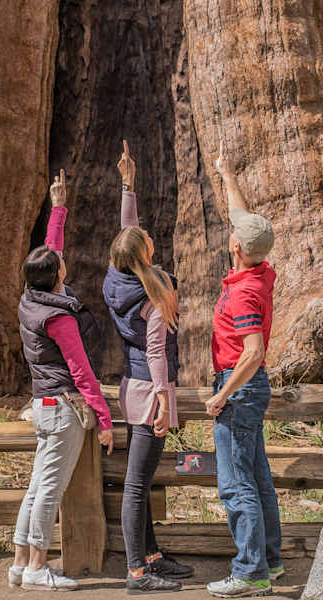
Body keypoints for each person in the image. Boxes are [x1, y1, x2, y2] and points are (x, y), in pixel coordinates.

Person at [11, 169, 115, 592]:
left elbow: (49, 253)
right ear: (56, 276)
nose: (63, 263)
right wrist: (104, 420)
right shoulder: (59, 317)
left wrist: (59, 207)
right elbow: (82, 372)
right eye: (60, 266)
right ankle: (38, 565)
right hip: (63, 409)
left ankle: (20, 563)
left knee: (37, 487)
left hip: (43, 405)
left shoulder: (31, 298)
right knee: (50, 490)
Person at [102, 141, 193, 595]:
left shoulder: (117, 280)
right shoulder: (155, 292)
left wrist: (128, 185)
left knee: (143, 478)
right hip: (150, 389)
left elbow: (127, 231)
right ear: (144, 257)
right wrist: (163, 402)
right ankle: (137, 572)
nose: (151, 241)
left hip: (130, 383)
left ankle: (152, 556)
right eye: (149, 245)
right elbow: (157, 350)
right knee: (137, 485)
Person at [204, 140, 282, 598]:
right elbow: (243, 222)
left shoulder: (243, 295)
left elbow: (252, 352)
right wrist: (226, 173)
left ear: (235, 247)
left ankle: (250, 572)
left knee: (236, 486)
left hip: (239, 387)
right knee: (258, 479)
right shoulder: (260, 270)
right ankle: (269, 563)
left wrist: (221, 395)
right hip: (251, 389)